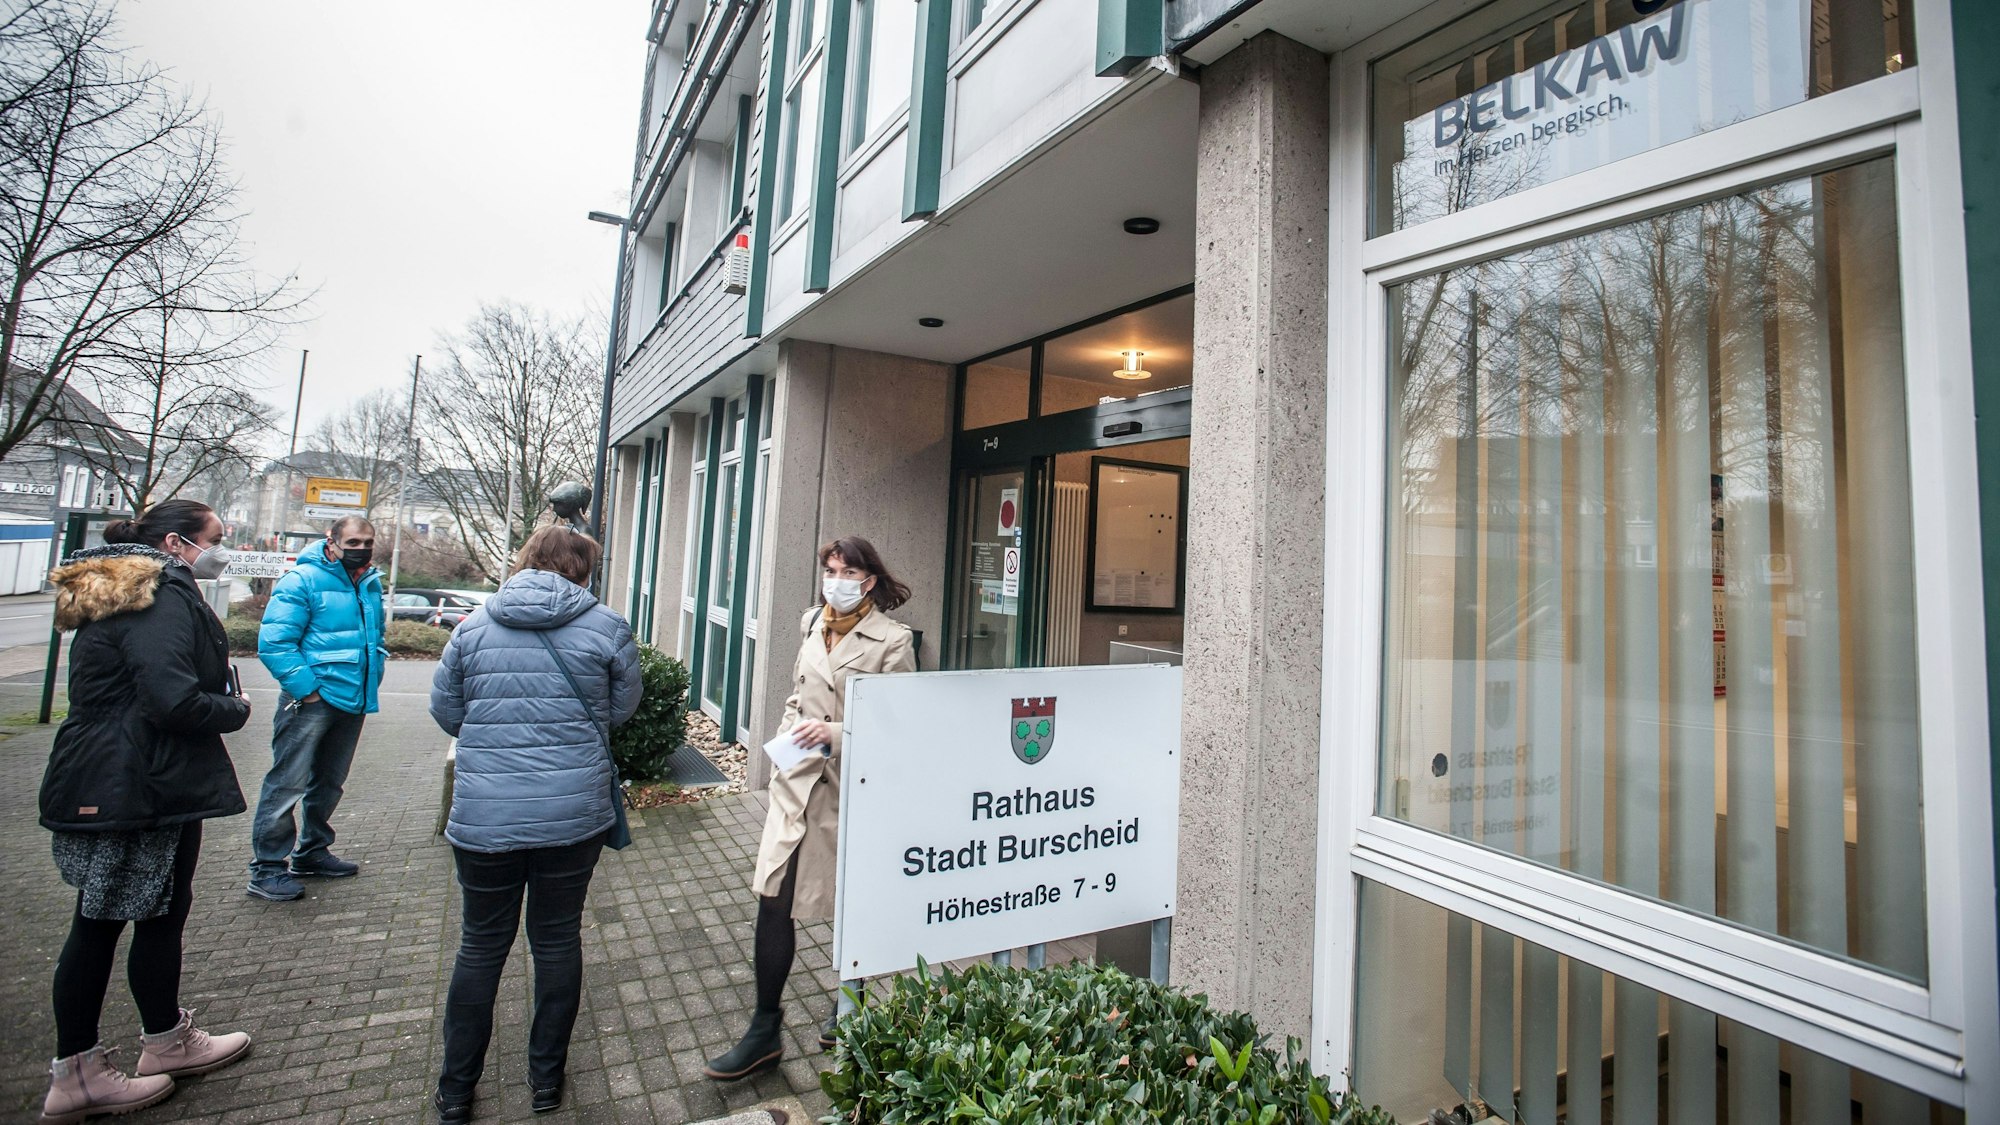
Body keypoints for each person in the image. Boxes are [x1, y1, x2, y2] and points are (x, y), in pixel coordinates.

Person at [38, 500, 254, 1123]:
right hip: (131, 780)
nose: (223, 546)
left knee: (158, 910)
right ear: (176, 542)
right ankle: (77, 1073)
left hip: (135, 776)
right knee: (103, 920)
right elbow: (172, 698)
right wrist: (233, 710)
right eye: (215, 537)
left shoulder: (139, 587)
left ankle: (165, 1039)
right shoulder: (154, 596)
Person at [428, 526, 641, 1122]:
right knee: (555, 940)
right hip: (571, 816)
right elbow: (621, 709)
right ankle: (545, 1081)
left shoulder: (471, 627)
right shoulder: (606, 626)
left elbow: (447, 713)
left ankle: (456, 1092)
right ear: (583, 570)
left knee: (480, 946)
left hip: (484, 814)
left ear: (526, 562)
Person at [705, 536, 916, 1081]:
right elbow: (797, 699)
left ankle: (850, 1008)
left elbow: (901, 724)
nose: (836, 579)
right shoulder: (809, 623)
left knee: (854, 908)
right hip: (797, 784)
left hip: (852, 792)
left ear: (869, 580)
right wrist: (783, 745)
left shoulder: (892, 641)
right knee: (773, 898)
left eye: (847, 571)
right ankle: (763, 1028)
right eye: (830, 569)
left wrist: (835, 734)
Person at [246, 516, 386, 901]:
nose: (362, 547)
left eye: (368, 541)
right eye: (354, 541)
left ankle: (311, 852)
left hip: (352, 700)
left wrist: (372, 678)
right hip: (310, 701)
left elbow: (377, 637)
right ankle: (267, 868)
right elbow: (275, 642)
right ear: (332, 541)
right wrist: (307, 690)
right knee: (286, 784)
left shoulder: (370, 582)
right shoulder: (302, 580)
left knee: (328, 784)